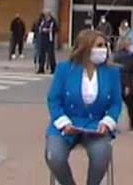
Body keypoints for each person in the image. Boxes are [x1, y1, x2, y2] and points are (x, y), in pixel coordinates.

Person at [45, 29, 122, 185]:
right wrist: (63, 122)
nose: (104, 49)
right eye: (99, 45)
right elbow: (54, 99)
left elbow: (116, 103)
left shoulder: (112, 72)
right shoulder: (65, 69)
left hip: (96, 127)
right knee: (54, 156)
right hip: (66, 125)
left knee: (101, 156)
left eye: (105, 45)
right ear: (86, 48)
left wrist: (107, 122)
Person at [112, 37, 133, 132]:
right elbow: (126, 72)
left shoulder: (117, 55)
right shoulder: (127, 57)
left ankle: (115, 125)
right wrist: (127, 86)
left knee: (117, 105)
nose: (132, 46)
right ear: (125, 45)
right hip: (125, 84)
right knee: (131, 104)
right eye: (130, 44)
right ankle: (132, 124)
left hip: (116, 83)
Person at [37, 9, 59, 75]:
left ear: (49, 14)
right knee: (41, 54)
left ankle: (53, 69)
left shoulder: (53, 21)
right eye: (44, 14)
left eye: (46, 14)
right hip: (43, 38)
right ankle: (41, 68)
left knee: (51, 55)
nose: (45, 15)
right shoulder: (42, 20)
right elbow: (38, 26)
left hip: (50, 39)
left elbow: (56, 29)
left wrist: (49, 30)